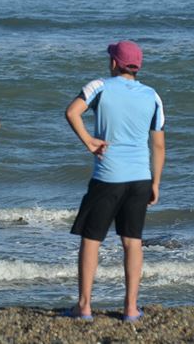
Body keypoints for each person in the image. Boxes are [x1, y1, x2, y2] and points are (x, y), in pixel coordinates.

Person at [64, 41, 166, 322]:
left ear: (113, 63)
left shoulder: (100, 86)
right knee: (133, 242)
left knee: (92, 239)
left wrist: (88, 141)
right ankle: (130, 308)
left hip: (108, 176)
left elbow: (71, 112)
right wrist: (155, 182)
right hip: (140, 178)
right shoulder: (152, 95)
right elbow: (158, 145)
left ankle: (84, 306)